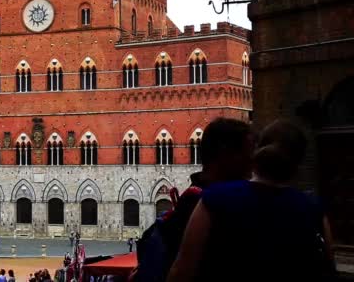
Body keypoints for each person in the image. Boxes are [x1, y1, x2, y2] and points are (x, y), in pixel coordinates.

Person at [168, 120, 336, 282]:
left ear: (256, 153)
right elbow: (329, 271)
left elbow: (181, 271)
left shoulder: (215, 198)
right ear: (299, 162)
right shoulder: (312, 209)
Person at [134, 118, 254, 282]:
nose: (251, 164)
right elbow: (181, 269)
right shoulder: (203, 203)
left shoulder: (196, 199)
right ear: (225, 155)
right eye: (247, 155)